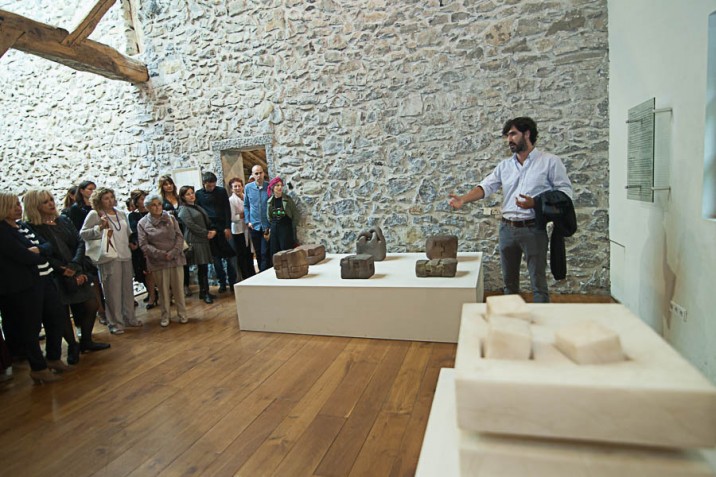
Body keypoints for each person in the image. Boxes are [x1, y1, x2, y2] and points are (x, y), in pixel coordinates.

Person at [448, 117, 573, 303]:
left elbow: (565, 193)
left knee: (538, 284)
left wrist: (536, 203)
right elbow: (486, 187)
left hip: (534, 229)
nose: (509, 140)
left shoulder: (550, 162)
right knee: (509, 284)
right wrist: (463, 200)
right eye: (507, 135)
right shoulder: (505, 166)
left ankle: (541, 328)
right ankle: (511, 325)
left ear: (527, 133)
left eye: (513, 134)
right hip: (507, 230)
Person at [23, 189, 110, 362]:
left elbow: (79, 242)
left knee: (91, 305)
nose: (51, 203)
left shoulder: (63, 219)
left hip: (76, 268)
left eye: (51, 199)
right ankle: (72, 345)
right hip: (55, 274)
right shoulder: (32, 227)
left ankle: (86, 340)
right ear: (35, 206)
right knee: (61, 313)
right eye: (45, 202)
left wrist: (75, 265)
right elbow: (43, 251)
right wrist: (63, 269)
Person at [0, 192, 66, 383]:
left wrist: (39, 251)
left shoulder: (22, 226)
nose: (18, 208)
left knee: (57, 318)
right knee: (31, 327)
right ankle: (38, 367)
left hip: (45, 279)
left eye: (18, 204)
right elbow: (25, 257)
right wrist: (39, 252)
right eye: (13, 206)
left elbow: (48, 246)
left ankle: (53, 358)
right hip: (25, 286)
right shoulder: (3, 231)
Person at [80, 187, 141, 334]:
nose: (110, 201)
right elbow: (83, 234)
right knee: (112, 292)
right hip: (109, 256)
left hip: (125, 254)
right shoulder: (95, 214)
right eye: (106, 198)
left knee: (127, 289)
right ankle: (115, 323)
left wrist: (132, 241)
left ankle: (129, 317)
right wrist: (99, 228)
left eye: (111, 197)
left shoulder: (120, 212)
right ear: (99, 200)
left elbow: (126, 232)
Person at [138, 193, 188, 326]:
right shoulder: (142, 223)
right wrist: (162, 254)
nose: (157, 207)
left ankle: (182, 313)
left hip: (175, 258)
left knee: (178, 289)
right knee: (163, 291)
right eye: (153, 205)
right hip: (158, 261)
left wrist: (173, 252)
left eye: (159, 204)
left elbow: (179, 236)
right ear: (148, 207)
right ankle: (165, 316)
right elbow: (143, 244)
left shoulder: (170, 218)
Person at [195, 172, 237, 292]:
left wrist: (227, 227)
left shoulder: (221, 191)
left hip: (222, 226)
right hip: (210, 229)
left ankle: (232, 281)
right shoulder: (198, 194)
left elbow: (226, 209)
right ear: (204, 183)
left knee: (230, 257)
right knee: (216, 259)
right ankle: (222, 282)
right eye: (209, 186)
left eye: (213, 185)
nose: (212, 188)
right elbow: (200, 213)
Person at [178, 186, 216, 304]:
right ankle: (204, 292)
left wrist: (212, 230)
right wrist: (206, 233)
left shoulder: (196, 206)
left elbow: (206, 221)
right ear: (183, 197)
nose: (191, 195)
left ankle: (204, 291)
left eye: (192, 193)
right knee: (201, 266)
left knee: (204, 267)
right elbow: (191, 225)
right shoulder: (184, 209)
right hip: (194, 240)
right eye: (188, 194)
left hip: (203, 239)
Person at [158, 175, 192, 296]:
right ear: (162, 186)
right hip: (170, 231)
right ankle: (175, 287)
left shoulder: (179, 198)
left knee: (184, 258)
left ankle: (186, 285)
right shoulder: (161, 200)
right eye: (166, 184)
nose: (168, 186)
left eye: (170, 183)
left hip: (182, 228)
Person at [128, 190, 158, 309]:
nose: (144, 200)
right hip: (142, 246)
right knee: (147, 273)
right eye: (141, 199)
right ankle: (152, 296)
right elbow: (134, 230)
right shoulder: (133, 215)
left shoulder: (154, 213)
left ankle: (167, 294)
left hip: (156, 244)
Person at [243, 165, 271, 272]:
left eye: (260, 173)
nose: (259, 175)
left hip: (266, 225)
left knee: (265, 252)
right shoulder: (248, 188)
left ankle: (266, 272)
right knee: (258, 252)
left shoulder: (268, 187)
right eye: (256, 173)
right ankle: (261, 273)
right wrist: (248, 220)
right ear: (252, 175)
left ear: (264, 173)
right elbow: (246, 205)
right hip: (254, 225)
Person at [228, 177, 256, 281]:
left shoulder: (245, 197)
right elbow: (232, 217)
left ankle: (252, 273)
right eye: (235, 186)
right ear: (231, 189)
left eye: (239, 186)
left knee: (249, 253)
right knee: (242, 254)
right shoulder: (231, 200)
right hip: (238, 230)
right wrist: (243, 215)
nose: (238, 188)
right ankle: (245, 276)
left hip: (247, 229)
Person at [266, 177, 299, 258]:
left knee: (286, 250)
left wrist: (291, 227)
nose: (280, 187)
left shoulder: (287, 199)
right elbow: (269, 217)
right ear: (273, 187)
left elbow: (295, 214)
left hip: (286, 227)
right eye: (277, 185)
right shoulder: (270, 201)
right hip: (275, 228)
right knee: (275, 250)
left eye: (281, 185)